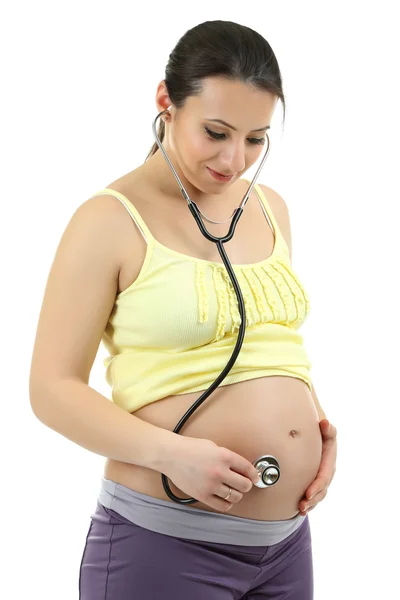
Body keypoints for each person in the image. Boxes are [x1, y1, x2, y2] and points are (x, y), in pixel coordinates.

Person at [29, 19, 337, 600]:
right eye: (216, 132)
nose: (235, 159)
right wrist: (171, 454)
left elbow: (267, 340)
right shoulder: (108, 219)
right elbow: (50, 388)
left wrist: (317, 431)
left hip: (287, 545)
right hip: (164, 543)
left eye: (256, 138)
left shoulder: (270, 207)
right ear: (166, 102)